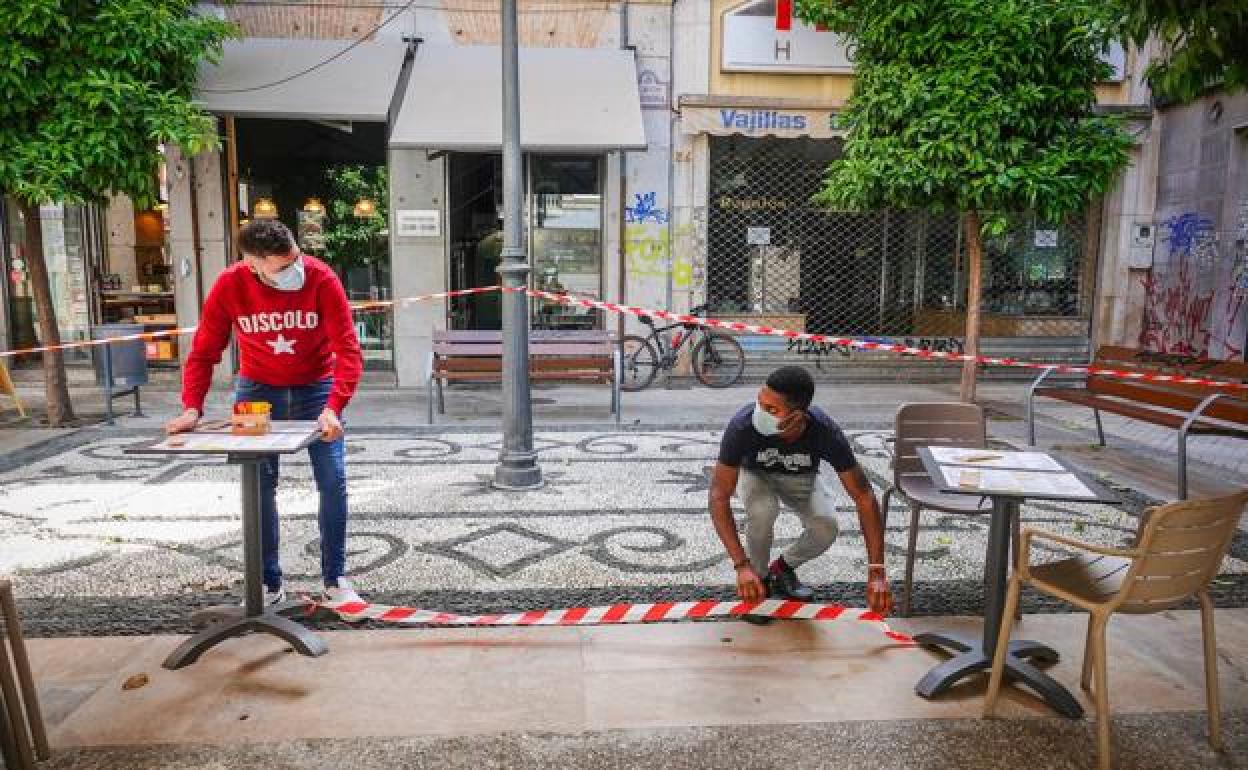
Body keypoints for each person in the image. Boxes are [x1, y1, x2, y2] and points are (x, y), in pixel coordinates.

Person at [165, 220, 364, 608]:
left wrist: (334, 408)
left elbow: (348, 351)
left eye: (294, 260)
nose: (294, 272)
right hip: (257, 391)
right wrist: (192, 406)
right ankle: (268, 583)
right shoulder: (230, 285)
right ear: (252, 263)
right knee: (258, 483)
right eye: (281, 268)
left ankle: (335, 578)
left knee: (333, 480)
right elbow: (205, 351)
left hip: (317, 388)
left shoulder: (322, 279)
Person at [708, 366, 892, 622]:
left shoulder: (824, 431)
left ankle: (781, 570)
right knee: (763, 511)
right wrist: (741, 566)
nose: (760, 413)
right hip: (756, 475)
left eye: (772, 410)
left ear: (798, 415)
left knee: (826, 527)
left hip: (801, 477)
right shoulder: (743, 426)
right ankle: (757, 581)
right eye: (760, 403)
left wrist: (877, 573)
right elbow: (718, 494)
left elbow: (864, 496)